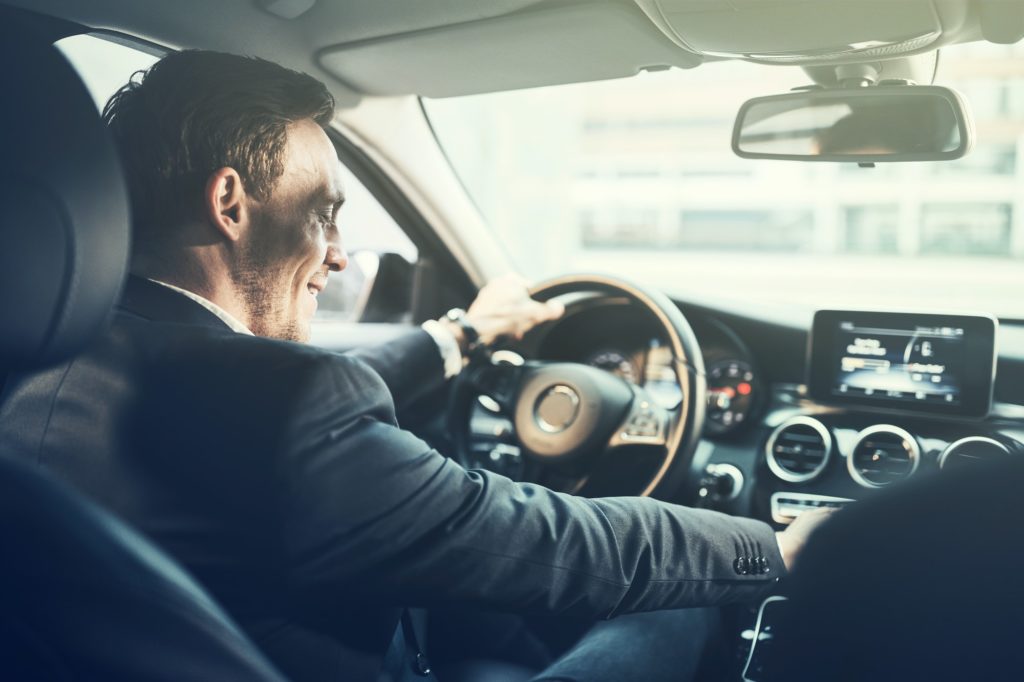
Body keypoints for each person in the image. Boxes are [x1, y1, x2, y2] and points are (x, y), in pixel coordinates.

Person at [0, 50, 830, 681]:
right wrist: (772, 546)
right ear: (229, 204)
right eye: (325, 217)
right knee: (682, 614)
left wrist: (462, 335)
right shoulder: (289, 409)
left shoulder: (39, 362)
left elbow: (277, 418)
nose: (335, 258)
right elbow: (555, 542)